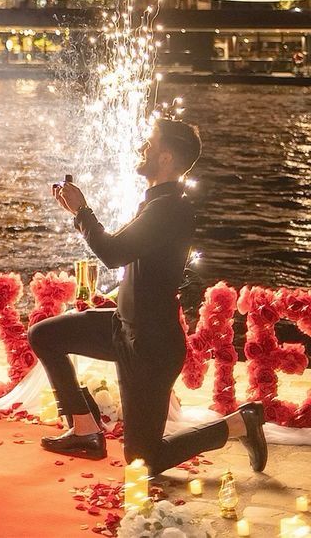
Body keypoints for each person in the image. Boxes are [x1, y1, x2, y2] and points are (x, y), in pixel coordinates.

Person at [28, 116, 268, 476]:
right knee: (44, 335)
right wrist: (80, 213)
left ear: (167, 157)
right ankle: (85, 428)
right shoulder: (156, 203)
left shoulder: (171, 209)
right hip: (122, 326)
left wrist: (82, 210)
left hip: (151, 345)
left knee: (143, 461)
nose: (142, 147)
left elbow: (112, 253)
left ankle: (240, 423)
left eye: (150, 143)